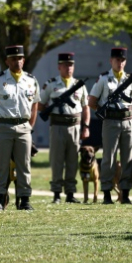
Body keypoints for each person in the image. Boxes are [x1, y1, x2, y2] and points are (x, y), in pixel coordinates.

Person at [0, 45, 39, 211]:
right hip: (3, 127)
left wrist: (29, 126)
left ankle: (24, 200)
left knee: (24, 164)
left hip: (23, 127)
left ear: (23, 60)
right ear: (7, 61)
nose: (17, 61)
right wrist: (2, 115)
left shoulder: (31, 80)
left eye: (19, 58)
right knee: (1, 164)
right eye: (13, 59)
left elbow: (34, 105)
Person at [89, 47, 132, 205]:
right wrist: (102, 111)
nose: (120, 63)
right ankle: (107, 193)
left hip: (128, 121)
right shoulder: (104, 79)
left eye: (122, 60)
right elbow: (92, 101)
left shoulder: (130, 79)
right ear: (111, 61)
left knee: (128, 158)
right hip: (110, 121)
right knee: (109, 158)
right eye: (117, 60)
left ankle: (125, 194)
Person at [38, 52, 90, 204]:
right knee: (57, 161)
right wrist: (51, 107)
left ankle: (70, 193)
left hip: (75, 126)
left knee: (73, 160)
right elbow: (40, 104)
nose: (69, 68)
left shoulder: (79, 85)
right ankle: (56, 194)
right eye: (66, 65)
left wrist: (86, 127)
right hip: (57, 126)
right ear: (59, 66)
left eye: (71, 65)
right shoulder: (51, 84)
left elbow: (85, 108)